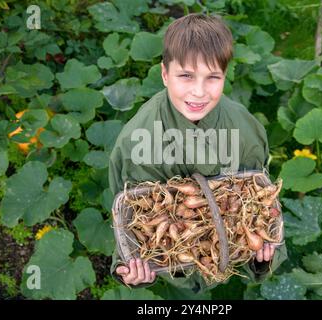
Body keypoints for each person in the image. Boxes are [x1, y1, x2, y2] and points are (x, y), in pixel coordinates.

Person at [108, 13, 287, 290]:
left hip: (232, 257)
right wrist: (128, 267)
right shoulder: (136, 142)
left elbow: (259, 201)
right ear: (165, 74)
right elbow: (132, 218)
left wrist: (261, 258)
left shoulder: (246, 129)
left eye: (212, 77)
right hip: (169, 269)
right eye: (186, 76)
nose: (199, 92)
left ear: (225, 77)